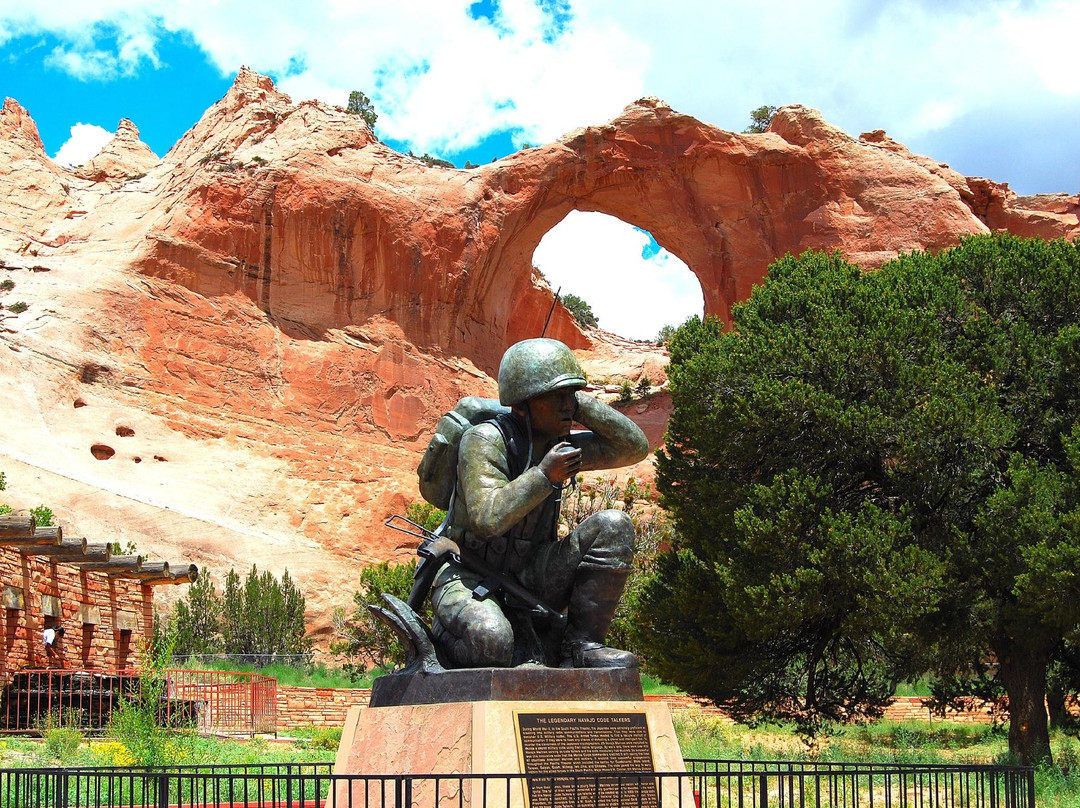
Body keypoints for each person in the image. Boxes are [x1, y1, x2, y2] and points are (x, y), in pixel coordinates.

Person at [429, 338, 650, 669]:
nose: (567, 407)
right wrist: (545, 475)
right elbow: (486, 519)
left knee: (614, 526)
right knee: (492, 642)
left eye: (570, 396)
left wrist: (578, 401)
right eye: (555, 397)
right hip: (468, 573)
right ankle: (442, 639)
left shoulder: (559, 443)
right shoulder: (485, 439)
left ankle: (581, 646)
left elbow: (633, 447)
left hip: (532, 574)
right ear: (522, 404)